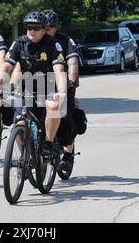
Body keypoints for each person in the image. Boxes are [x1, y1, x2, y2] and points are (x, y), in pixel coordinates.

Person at [0, 11, 67, 156]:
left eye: (36, 28)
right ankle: (27, 159)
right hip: (27, 89)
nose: (32, 31)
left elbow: (59, 70)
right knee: (19, 124)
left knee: (53, 105)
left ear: (44, 30)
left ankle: (49, 143)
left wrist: (61, 91)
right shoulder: (19, 43)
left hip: (49, 87)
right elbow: (6, 67)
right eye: (29, 27)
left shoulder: (53, 44)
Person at [42, 9, 80, 169]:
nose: (45, 31)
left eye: (48, 28)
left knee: (65, 117)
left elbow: (72, 64)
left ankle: (68, 152)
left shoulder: (65, 41)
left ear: (55, 27)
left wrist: (70, 82)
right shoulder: (37, 41)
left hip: (63, 84)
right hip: (41, 83)